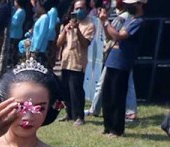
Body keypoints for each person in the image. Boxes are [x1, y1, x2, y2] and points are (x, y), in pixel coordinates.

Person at [99, 0, 144, 137]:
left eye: (131, 3)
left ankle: (117, 129)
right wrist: (104, 23)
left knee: (117, 97)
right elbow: (111, 36)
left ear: (139, 4)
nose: (128, 6)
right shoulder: (128, 19)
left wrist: (106, 22)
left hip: (122, 63)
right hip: (112, 61)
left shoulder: (139, 22)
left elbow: (120, 36)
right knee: (107, 95)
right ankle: (108, 126)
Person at [56, 0, 94, 126]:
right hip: (66, 61)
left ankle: (79, 116)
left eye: (81, 8)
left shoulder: (89, 25)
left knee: (76, 90)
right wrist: (65, 30)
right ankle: (69, 113)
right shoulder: (67, 24)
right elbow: (59, 43)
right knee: (65, 89)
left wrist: (77, 30)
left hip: (78, 62)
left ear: (87, 9)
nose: (78, 11)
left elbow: (85, 43)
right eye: (76, 8)